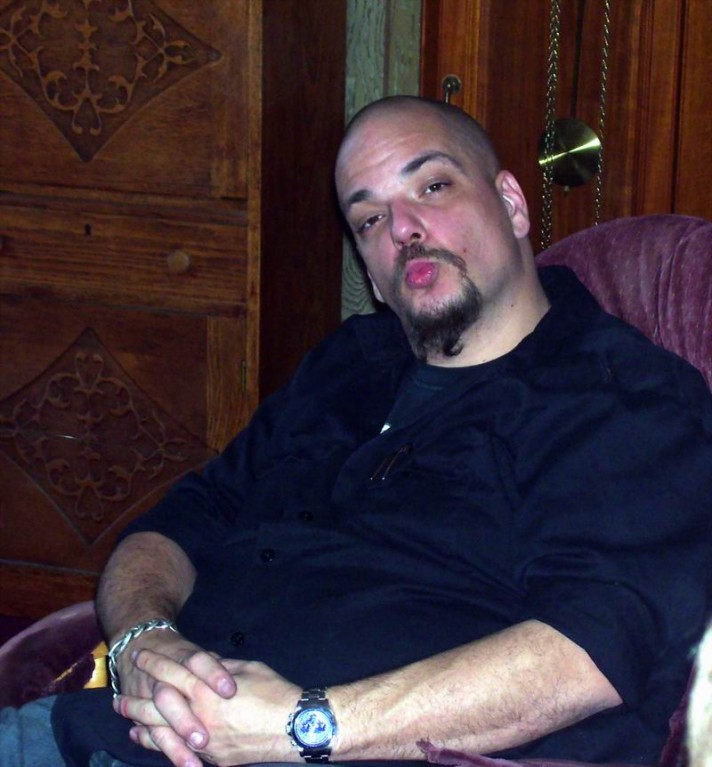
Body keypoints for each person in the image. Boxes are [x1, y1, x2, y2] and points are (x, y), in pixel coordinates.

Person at [2, 95, 712, 767]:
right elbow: (185, 521)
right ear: (369, 272)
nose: (402, 229)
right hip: (114, 736)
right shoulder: (346, 362)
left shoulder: (620, 395)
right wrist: (141, 638)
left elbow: (594, 648)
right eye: (369, 219)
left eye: (433, 187)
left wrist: (302, 726)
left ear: (512, 203)